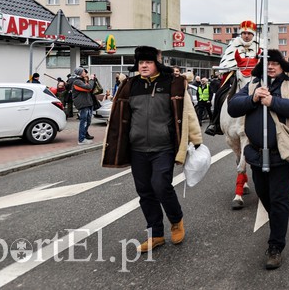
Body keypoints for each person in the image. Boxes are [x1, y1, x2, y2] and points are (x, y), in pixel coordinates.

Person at [102, 46, 202, 253]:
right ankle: (155, 233)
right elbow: (118, 118)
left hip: (163, 147)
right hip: (137, 148)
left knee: (160, 184)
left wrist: (196, 140)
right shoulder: (130, 85)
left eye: (147, 62)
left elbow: (188, 114)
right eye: (140, 63)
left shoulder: (172, 84)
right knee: (145, 192)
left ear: (156, 63)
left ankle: (176, 221)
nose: (144, 66)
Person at [227, 49, 289, 269]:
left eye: (274, 63)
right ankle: (278, 226)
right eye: (267, 63)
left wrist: (272, 101)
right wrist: (253, 98)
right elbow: (233, 107)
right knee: (265, 197)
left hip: (281, 156)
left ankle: (275, 246)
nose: (270, 66)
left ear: (282, 66)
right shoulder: (253, 85)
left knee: (279, 202)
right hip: (256, 154)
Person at [68, 67, 95, 144]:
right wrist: (91, 79)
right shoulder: (77, 82)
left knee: (88, 121)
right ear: (80, 73)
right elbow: (89, 87)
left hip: (87, 103)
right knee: (84, 121)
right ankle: (81, 139)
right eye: (83, 71)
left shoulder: (82, 80)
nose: (85, 72)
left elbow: (90, 88)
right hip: (83, 104)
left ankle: (84, 136)